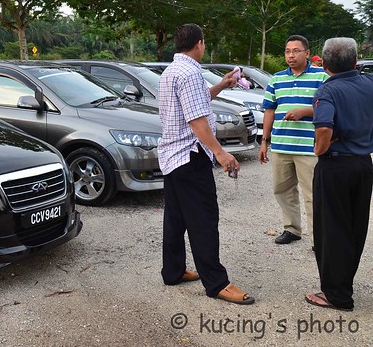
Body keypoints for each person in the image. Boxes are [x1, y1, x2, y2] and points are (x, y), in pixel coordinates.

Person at [158, 23, 255, 305]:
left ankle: (172, 271)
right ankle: (217, 283)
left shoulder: (173, 70)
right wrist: (222, 154)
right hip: (190, 156)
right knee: (203, 220)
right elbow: (197, 120)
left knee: (175, 219)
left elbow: (195, 103)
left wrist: (222, 85)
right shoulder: (189, 73)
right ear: (199, 43)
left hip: (173, 155)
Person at [305, 38, 373, 311]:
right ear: (355, 61)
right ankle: (344, 284)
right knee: (355, 227)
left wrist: (319, 149)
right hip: (363, 165)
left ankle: (337, 295)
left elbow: (323, 128)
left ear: (325, 63)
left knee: (332, 230)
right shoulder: (369, 84)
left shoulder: (327, 91)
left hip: (335, 166)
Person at [259, 35, 328, 247]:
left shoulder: (322, 77)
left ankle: (320, 239)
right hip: (281, 146)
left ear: (307, 53)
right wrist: (265, 141)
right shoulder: (276, 79)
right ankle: (292, 229)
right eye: (288, 51)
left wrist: (305, 111)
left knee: (313, 195)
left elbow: (329, 107)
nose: (291, 55)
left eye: (296, 51)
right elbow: (269, 111)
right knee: (282, 189)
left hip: (309, 147)